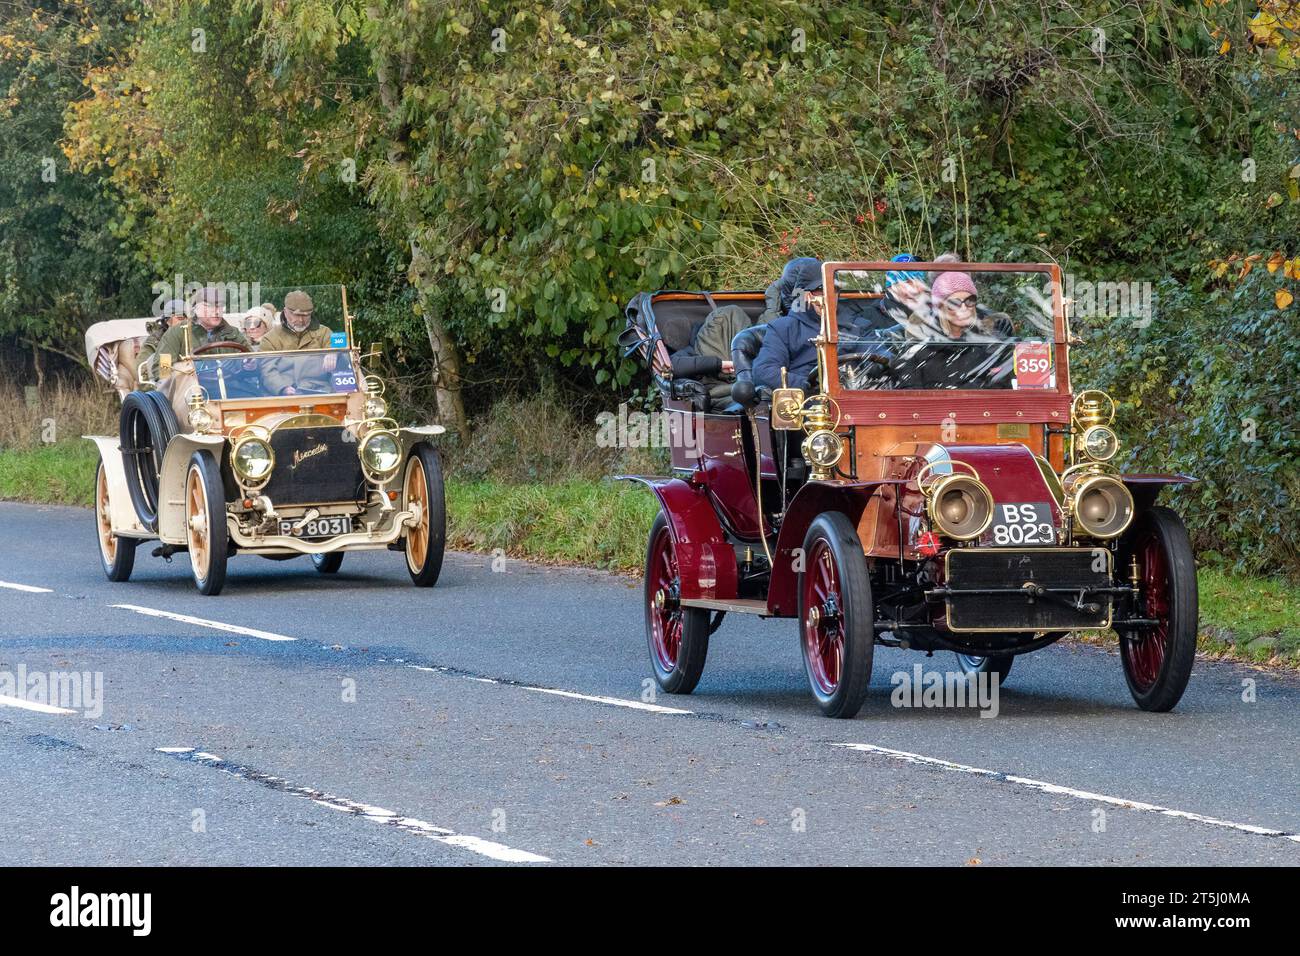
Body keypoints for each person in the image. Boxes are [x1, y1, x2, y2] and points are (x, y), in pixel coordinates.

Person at [751, 257, 826, 393]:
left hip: (857, 395)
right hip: (812, 402)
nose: (830, 296)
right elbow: (763, 371)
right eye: (821, 290)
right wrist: (809, 385)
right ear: (806, 295)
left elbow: (875, 353)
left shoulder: (855, 323)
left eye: (834, 289)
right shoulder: (784, 329)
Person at [147, 285, 251, 379]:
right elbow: (162, 371)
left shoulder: (233, 333)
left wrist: (248, 365)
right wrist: (185, 372)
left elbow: (253, 360)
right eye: (208, 306)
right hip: (192, 393)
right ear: (195, 309)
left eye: (219, 305)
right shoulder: (176, 333)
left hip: (233, 388)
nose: (216, 311)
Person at [259, 290, 339, 395]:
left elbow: (341, 344)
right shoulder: (269, 339)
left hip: (320, 391)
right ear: (285, 312)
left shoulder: (324, 332)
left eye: (306, 315)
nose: (301, 320)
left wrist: (334, 351)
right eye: (297, 315)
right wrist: (282, 388)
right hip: (284, 394)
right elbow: (267, 371)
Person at [136, 298, 188, 371]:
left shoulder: (194, 337)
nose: (185, 322)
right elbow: (144, 370)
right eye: (180, 318)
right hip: (168, 379)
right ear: (167, 321)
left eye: (188, 318)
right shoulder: (156, 342)